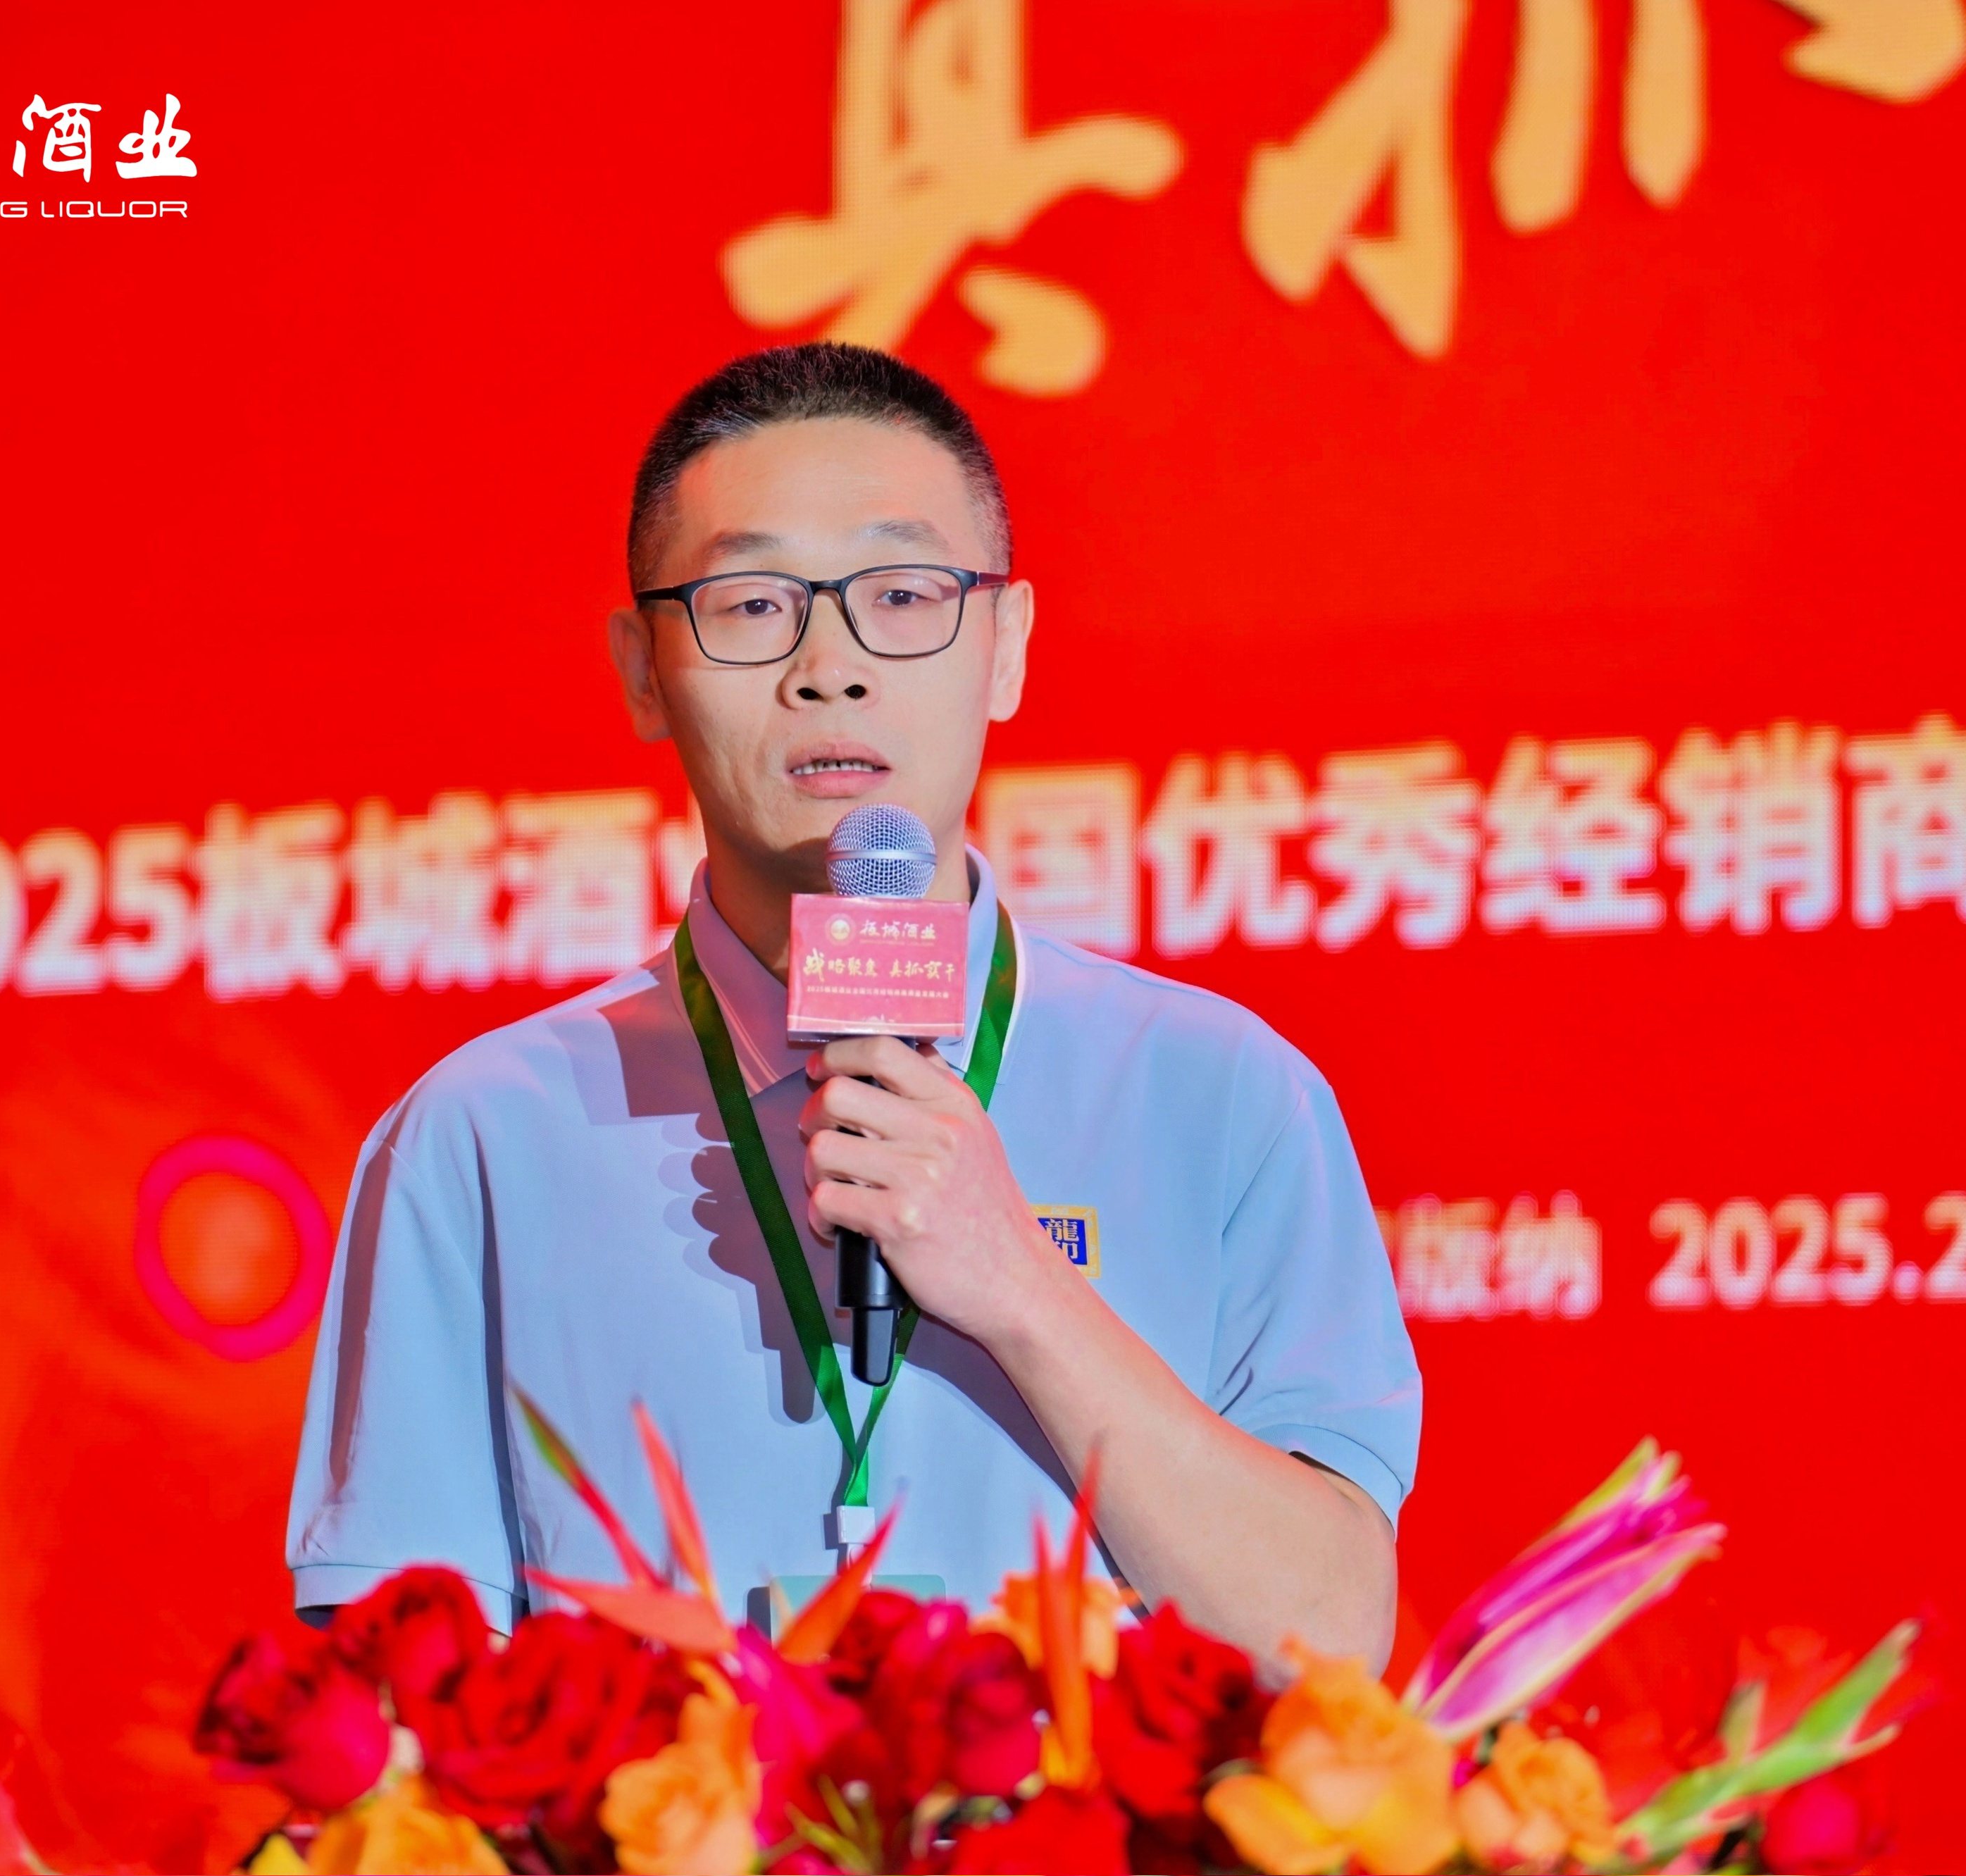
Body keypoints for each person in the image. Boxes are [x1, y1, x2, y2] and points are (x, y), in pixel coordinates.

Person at [287, 342, 1420, 1668]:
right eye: (751, 604)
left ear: (1005, 647)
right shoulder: (481, 1138)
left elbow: (1327, 1640)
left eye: (901, 595)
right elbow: (394, 1706)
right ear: (643, 670)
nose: (830, 668)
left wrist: (1017, 1284)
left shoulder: (1220, 1095)